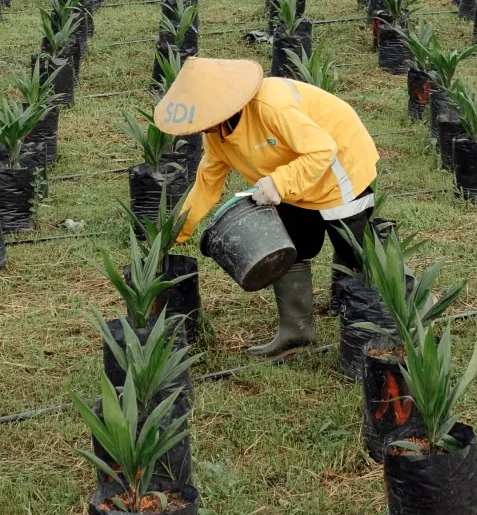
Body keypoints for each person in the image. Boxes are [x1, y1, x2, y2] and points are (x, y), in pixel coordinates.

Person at [155, 57, 379, 357]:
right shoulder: (218, 135)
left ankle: (389, 313)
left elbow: (323, 148)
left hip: (339, 168)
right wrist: (176, 231)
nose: (202, 129)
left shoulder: (272, 106)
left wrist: (279, 182)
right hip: (291, 178)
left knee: (356, 247)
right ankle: (296, 333)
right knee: (291, 245)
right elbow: (207, 183)